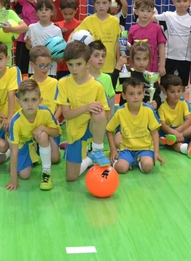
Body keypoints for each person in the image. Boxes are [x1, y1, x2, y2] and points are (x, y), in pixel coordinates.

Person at [57, 41, 111, 181]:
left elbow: (107, 114)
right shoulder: (63, 83)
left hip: (92, 128)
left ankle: (97, 150)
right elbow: (67, 115)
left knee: (99, 112)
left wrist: (95, 115)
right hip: (74, 130)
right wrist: (86, 107)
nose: (74, 69)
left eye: (79, 64)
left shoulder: (97, 86)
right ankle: (89, 160)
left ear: (88, 63)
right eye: (70, 64)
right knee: (71, 178)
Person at [5, 80, 61, 191]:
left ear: (40, 100)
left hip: (41, 138)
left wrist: (43, 128)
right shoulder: (16, 121)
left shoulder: (45, 112)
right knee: (24, 175)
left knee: (53, 156)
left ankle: (46, 173)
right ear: (18, 102)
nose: (30, 104)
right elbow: (14, 152)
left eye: (34, 100)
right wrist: (13, 179)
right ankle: (28, 152)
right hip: (24, 143)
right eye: (25, 100)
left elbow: (56, 132)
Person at [108, 78, 164, 174]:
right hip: (127, 148)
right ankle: (126, 160)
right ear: (124, 96)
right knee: (120, 168)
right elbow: (109, 130)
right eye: (131, 94)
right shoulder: (120, 112)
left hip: (145, 148)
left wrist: (156, 152)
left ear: (143, 94)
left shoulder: (148, 110)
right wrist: (113, 150)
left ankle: (139, 161)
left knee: (148, 166)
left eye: (139, 93)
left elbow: (154, 132)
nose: (136, 97)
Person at [77, 0, 123, 87]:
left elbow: (118, 43)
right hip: (92, 69)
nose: (101, 6)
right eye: (98, 3)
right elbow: (75, 34)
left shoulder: (114, 21)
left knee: (108, 96)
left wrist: (118, 62)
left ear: (110, 4)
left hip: (110, 67)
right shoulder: (88, 20)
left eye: (104, 3)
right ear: (93, 4)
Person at [157, 0, 191, 91]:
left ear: (189, 2)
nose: (181, 4)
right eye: (178, 1)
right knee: (165, 85)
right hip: (169, 57)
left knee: (182, 85)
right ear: (173, 2)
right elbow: (148, 18)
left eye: (185, 1)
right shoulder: (168, 16)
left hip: (185, 59)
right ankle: (163, 105)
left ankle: (181, 105)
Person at [29, 45, 62, 162]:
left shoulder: (55, 83)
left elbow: (61, 105)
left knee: (55, 159)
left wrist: (54, 118)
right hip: (31, 127)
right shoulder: (27, 84)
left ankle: (43, 147)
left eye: (48, 65)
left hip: (50, 126)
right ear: (32, 65)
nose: (45, 68)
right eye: (41, 65)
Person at [156, 75, 191, 157]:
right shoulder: (161, 105)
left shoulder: (184, 102)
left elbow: (189, 120)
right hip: (168, 133)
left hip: (182, 132)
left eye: (179, 91)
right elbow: (163, 125)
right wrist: (174, 132)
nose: (176, 94)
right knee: (173, 142)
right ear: (165, 92)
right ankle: (186, 149)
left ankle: (175, 140)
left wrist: (178, 132)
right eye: (172, 92)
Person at [10, 0, 40, 73]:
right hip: (22, 41)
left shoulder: (41, 5)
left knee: (35, 69)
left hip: (36, 41)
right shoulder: (21, 3)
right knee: (21, 70)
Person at [128, 0, 167, 75]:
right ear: (136, 12)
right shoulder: (132, 29)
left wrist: (162, 66)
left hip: (152, 68)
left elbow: (161, 47)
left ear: (153, 13)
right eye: (142, 11)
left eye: (148, 11)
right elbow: (130, 47)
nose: (145, 14)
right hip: (135, 68)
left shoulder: (157, 28)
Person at [24, 0, 62, 76]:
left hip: (50, 71)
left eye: (47, 9)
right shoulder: (31, 28)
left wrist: (55, 56)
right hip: (33, 70)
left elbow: (59, 53)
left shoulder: (57, 30)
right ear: (37, 13)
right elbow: (28, 47)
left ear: (52, 12)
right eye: (41, 10)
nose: (43, 12)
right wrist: (28, 44)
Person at [55, 0, 82, 79]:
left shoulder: (80, 25)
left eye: (71, 14)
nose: (68, 17)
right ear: (60, 11)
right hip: (61, 65)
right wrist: (59, 31)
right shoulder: (57, 26)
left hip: (76, 63)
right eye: (65, 14)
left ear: (76, 11)